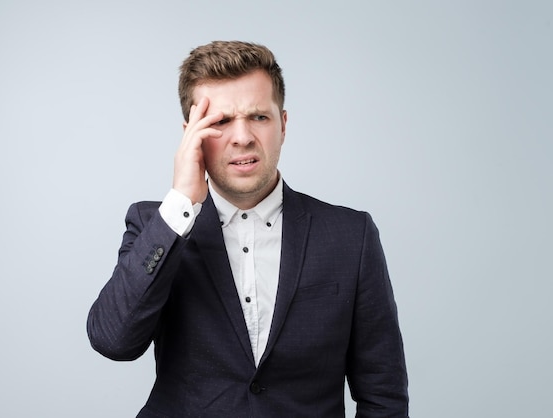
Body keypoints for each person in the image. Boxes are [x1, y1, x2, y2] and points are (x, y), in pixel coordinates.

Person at [87, 40, 408, 417]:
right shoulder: (155, 226)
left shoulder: (351, 236)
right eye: (220, 121)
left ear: (283, 125)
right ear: (190, 134)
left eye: (259, 117)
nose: (242, 137)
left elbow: (383, 395)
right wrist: (180, 204)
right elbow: (113, 340)